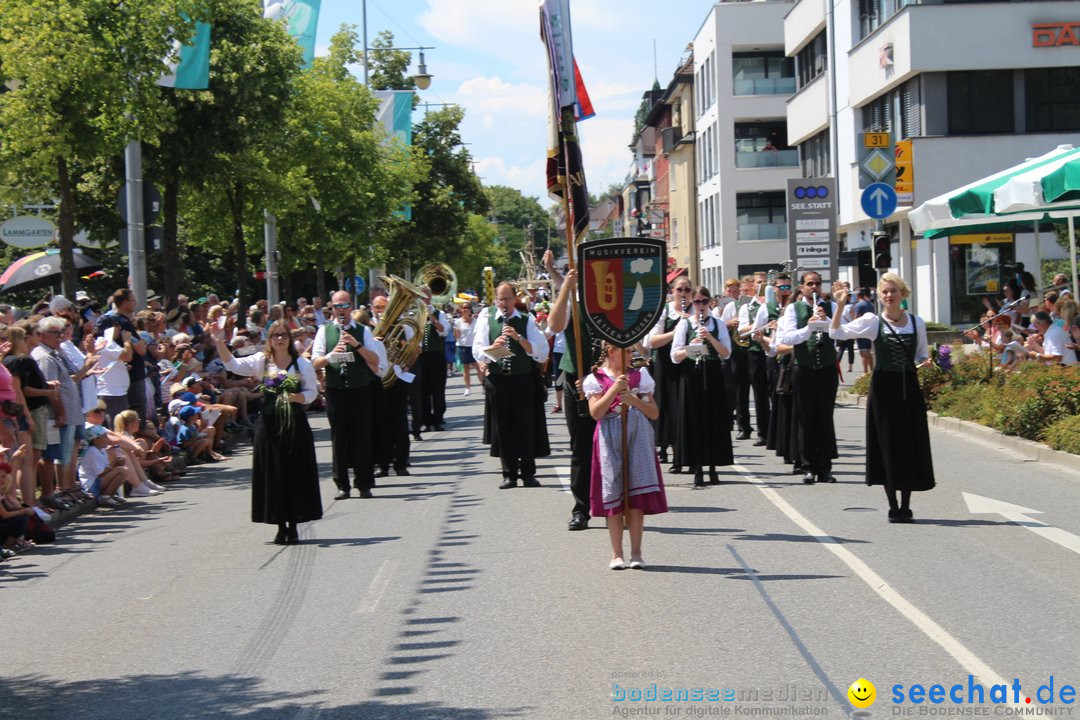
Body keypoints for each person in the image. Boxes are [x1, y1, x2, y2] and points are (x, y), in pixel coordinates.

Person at [830, 273, 935, 522]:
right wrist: (841, 305)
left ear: (902, 294)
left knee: (908, 444)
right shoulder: (872, 321)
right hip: (884, 387)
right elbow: (836, 333)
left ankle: (906, 504)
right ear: (879, 295)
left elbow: (920, 354)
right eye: (885, 292)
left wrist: (926, 362)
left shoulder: (916, 322)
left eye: (893, 291)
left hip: (908, 386)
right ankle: (892, 504)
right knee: (887, 443)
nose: (889, 296)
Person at [212, 321, 321, 545]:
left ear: (290, 339)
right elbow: (232, 364)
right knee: (274, 471)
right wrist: (218, 340)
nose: (279, 339)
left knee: (294, 472)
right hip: (269, 422)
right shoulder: (262, 361)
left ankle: (294, 524)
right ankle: (279, 524)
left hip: (294, 422)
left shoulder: (301, 363)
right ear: (270, 339)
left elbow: (312, 391)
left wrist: (297, 398)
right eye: (275, 336)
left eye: (283, 335)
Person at [585, 343, 666, 570]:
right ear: (612, 351)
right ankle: (616, 553)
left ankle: (637, 552)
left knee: (636, 494)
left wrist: (635, 401)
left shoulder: (640, 376)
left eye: (632, 351)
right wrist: (613, 391)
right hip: (609, 435)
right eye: (627, 351)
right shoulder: (595, 378)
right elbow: (595, 413)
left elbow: (654, 412)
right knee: (613, 491)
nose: (632, 355)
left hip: (637, 434)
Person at [310, 290, 387, 500]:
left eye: (344, 306)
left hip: (360, 389)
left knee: (362, 436)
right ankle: (342, 484)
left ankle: (364, 483)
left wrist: (356, 345)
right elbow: (314, 362)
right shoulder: (324, 331)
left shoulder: (363, 331)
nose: (341, 310)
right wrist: (331, 355)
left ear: (351, 306)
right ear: (332, 308)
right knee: (339, 438)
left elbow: (374, 361)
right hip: (336, 390)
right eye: (337, 306)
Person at [473, 281, 549, 489]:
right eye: (500, 299)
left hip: (522, 379)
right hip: (498, 380)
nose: (503, 303)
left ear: (515, 299)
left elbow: (541, 352)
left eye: (507, 299)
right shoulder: (487, 317)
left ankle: (528, 473)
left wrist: (519, 338)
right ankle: (509, 474)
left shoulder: (526, 319)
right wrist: (493, 347)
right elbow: (477, 350)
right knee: (503, 427)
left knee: (525, 426)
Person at [547, 267, 602, 530]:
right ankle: (582, 508)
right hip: (575, 379)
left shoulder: (607, 299)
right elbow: (554, 325)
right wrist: (565, 287)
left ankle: (616, 503)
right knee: (581, 449)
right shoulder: (572, 300)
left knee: (613, 445)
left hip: (606, 380)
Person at [776, 271, 839, 485]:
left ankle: (825, 467)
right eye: (810, 284)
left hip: (827, 368)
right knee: (805, 417)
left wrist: (826, 319)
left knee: (825, 417)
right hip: (804, 368)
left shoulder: (830, 307)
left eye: (817, 284)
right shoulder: (794, 308)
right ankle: (808, 465)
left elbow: (841, 332)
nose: (814, 287)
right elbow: (786, 338)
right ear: (802, 287)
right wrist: (809, 327)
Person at [671, 286, 734, 486]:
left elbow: (726, 353)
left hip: (713, 374)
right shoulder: (684, 324)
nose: (700, 306)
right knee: (694, 421)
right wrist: (692, 347)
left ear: (709, 303)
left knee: (713, 420)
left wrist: (710, 338)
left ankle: (713, 467)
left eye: (704, 302)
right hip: (691, 376)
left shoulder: (718, 324)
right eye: (696, 302)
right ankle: (697, 467)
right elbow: (675, 356)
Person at [644, 274, 692, 472]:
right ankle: (671, 451)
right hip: (665, 365)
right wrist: (677, 331)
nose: (683, 294)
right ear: (672, 291)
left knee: (686, 408)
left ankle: (686, 454)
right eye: (679, 290)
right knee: (668, 408)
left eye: (687, 290)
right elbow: (651, 342)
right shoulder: (665, 311)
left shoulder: (696, 309)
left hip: (688, 364)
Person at [418, 291, 449, 432]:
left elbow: (444, 332)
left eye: (426, 297)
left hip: (436, 356)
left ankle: (437, 419)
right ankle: (425, 420)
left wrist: (432, 317)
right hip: (420, 357)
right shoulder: (415, 314)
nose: (424, 299)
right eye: (421, 297)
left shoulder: (439, 314)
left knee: (438, 389)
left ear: (430, 298)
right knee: (422, 390)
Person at [454, 304, 478, 397]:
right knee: (466, 369)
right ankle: (467, 388)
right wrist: (457, 331)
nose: (466, 309)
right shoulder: (458, 322)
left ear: (470, 309)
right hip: (463, 347)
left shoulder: (476, 321)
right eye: (464, 308)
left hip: (474, 346)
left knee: (479, 368)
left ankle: (484, 386)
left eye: (468, 308)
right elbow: (456, 337)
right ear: (461, 310)